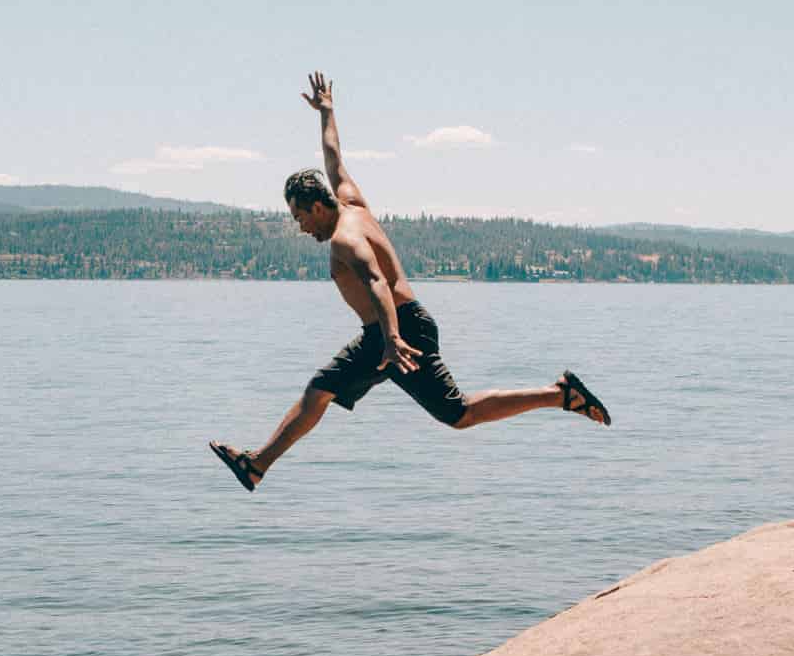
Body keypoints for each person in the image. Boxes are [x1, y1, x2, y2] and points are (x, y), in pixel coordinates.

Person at [211, 72, 609, 492]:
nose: (300, 227)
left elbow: (376, 281)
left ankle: (560, 394)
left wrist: (391, 339)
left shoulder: (346, 238)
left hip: (396, 331)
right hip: (389, 331)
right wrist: (326, 111)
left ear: (315, 206)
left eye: (300, 217)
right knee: (329, 392)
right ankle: (258, 465)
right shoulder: (349, 200)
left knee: (455, 413)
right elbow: (333, 155)